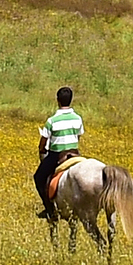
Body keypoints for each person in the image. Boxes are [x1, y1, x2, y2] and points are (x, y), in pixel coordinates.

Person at [35, 86, 83, 221]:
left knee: (38, 177)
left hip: (57, 155)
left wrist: (42, 150)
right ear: (71, 100)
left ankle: (50, 210)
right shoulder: (77, 118)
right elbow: (78, 136)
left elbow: (43, 143)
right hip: (75, 153)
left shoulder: (52, 121)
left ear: (58, 100)